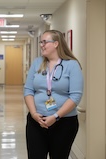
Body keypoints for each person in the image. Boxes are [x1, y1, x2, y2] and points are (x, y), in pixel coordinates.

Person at [24, 30, 84, 159]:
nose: (41, 45)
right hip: (36, 121)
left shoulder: (72, 65)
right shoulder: (37, 63)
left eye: (45, 42)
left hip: (64, 122)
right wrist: (34, 114)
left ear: (56, 43)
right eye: (41, 42)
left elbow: (75, 96)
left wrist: (56, 116)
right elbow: (28, 90)